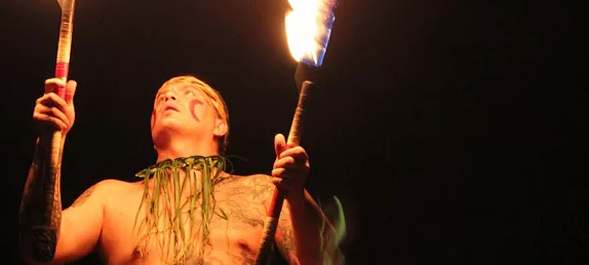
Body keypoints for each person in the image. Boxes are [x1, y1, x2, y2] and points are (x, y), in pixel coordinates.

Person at [18, 75, 344, 264]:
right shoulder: (111, 198)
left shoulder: (262, 192)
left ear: (220, 124)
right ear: (151, 125)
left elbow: (325, 259)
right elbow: (39, 248)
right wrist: (49, 144)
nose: (169, 96)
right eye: (161, 98)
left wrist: (297, 194)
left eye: (190, 93)